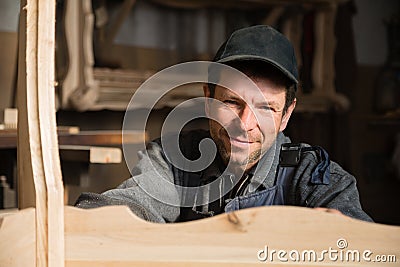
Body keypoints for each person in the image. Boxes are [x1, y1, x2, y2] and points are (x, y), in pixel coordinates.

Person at [75, 25, 373, 223]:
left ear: (286, 116)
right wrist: (99, 221)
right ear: (208, 99)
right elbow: (126, 207)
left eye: (266, 108)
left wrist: (339, 237)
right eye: (232, 102)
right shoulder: (175, 160)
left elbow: (363, 247)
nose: (245, 124)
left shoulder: (313, 176)